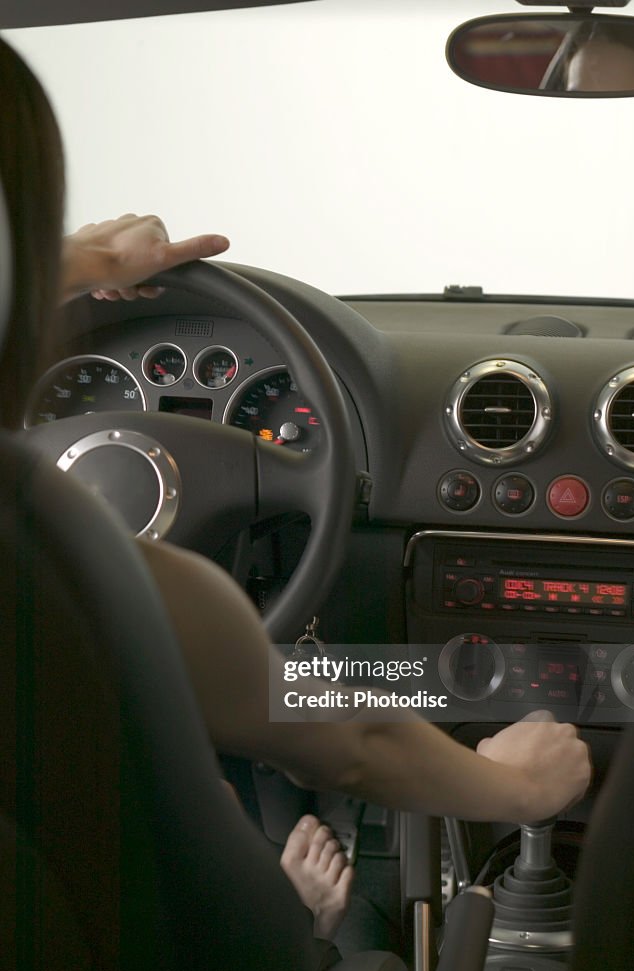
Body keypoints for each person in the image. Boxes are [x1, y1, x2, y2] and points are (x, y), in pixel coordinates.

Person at [1, 36, 591, 832]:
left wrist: (72, 263)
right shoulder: (107, 583)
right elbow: (353, 743)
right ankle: (309, 910)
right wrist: (519, 788)